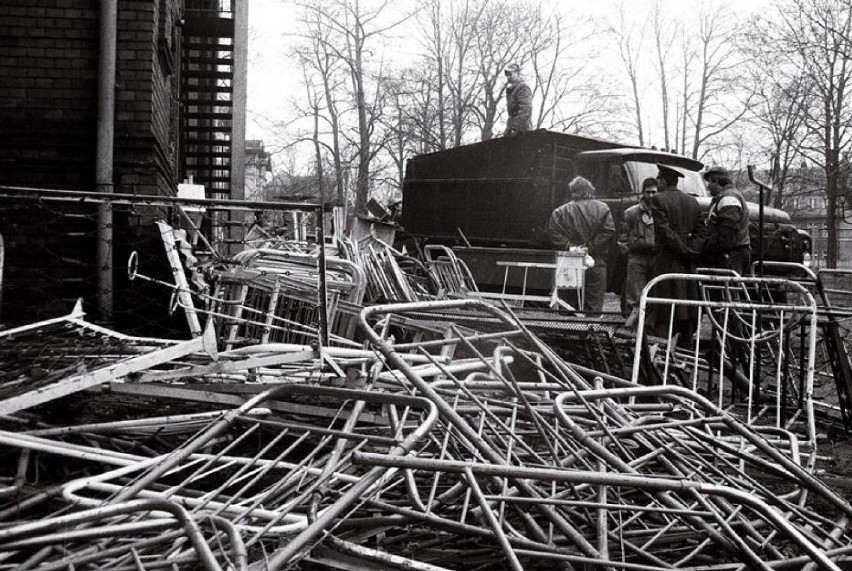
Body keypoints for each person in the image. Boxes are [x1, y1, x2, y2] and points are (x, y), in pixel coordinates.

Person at [648, 164, 705, 341]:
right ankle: (685, 343)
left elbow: (664, 232)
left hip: (668, 259)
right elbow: (701, 232)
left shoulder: (658, 200)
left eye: (659, 180)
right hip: (687, 262)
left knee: (666, 304)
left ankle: (664, 346)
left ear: (663, 180)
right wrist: (691, 251)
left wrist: (681, 250)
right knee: (686, 303)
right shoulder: (692, 202)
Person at [547, 176, 615, 312]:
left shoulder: (560, 211)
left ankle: (567, 331)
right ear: (590, 190)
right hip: (596, 260)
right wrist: (589, 247)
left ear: (573, 192)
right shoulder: (603, 208)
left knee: (568, 302)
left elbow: (553, 232)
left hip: (569, 261)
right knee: (594, 304)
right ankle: (591, 330)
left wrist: (570, 246)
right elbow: (609, 231)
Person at [619, 177, 658, 327]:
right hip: (637, 258)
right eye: (648, 192)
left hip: (655, 257)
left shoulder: (661, 212)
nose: (651, 195)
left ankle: (649, 328)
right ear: (643, 193)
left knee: (654, 293)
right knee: (634, 295)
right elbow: (623, 237)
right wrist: (631, 248)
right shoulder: (631, 212)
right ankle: (631, 328)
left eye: (654, 192)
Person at [702, 166, 751, 275]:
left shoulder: (728, 198)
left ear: (717, 180)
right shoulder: (727, 196)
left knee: (728, 289)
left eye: (709, 181)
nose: (708, 186)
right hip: (732, 253)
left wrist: (717, 251)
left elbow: (729, 230)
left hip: (731, 255)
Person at [503, 63, 532, 137]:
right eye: (507, 75)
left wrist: (515, 128)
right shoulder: (512, 89)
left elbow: (525, 109)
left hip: (521, 130)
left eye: (510, 74)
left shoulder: (523, 88)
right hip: (513, 130)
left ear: (517, 73)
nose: (508, 77)